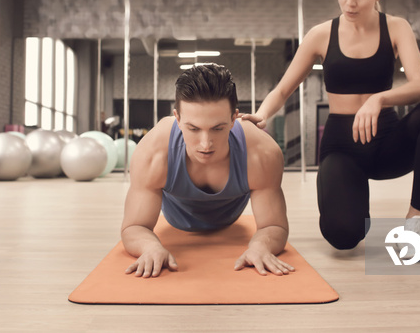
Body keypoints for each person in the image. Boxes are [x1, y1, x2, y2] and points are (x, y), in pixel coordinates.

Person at [241, 0, 420, 262]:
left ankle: (414, 223)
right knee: (343, 238)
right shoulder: (320, 35)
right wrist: (261, 115)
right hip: (342, 147)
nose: (350, 3)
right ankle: (354, 204)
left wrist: (379, 98)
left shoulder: (396, 28)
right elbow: (283, 88)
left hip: (387, 141)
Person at [121, 64, 294, 277]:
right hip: (176, 222)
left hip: (230, 221)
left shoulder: (261, 152)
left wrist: (260, 247)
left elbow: (274, 224)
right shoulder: (153, 151)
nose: (205, 144)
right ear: (178, 118)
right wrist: (150, 248)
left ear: (234, 118)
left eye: (217, 128)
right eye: (193, 129)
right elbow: (134, 226)